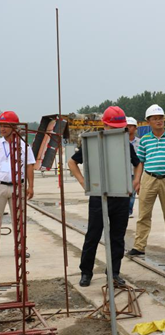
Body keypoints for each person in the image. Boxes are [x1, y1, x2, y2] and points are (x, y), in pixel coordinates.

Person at [68, 107, 139, 287]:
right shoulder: (93, 144)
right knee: (93, 235)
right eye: (113, 128)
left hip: (121, 196)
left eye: (120, 128)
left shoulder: (126, 145)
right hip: (99, 197)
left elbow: (138, 164)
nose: (117, 131)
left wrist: (136, 181)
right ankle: (86, 272)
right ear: (105, 126)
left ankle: (114, 273)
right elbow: (72, 162)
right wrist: (84, 183)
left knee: (117, 237)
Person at [129, 104, 165, 258]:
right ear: (148, 121)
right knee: (144, 214)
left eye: (160, 118)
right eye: (155, 118)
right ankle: (139, 246)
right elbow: (140, 162)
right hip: (149, 179)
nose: (159, 121)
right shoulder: (145, 140)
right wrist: (137, 180)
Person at [0, 111, 35, 239]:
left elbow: (29, 165)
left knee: (19, 222)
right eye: (1, 125)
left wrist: (31, 186)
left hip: (18, 187)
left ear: (14, 127)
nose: (2, 129)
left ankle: (20, 247)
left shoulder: (24, 146)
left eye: (6, 126)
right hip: (1, 186)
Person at [126, 117, 141, 218]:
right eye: (127, 126)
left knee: (132, 193)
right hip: (123, 172)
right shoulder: (119, 142)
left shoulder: (140, 142)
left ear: (135, 128)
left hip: (135, 171)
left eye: (131, 126)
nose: (128, 128)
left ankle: (129, 211)